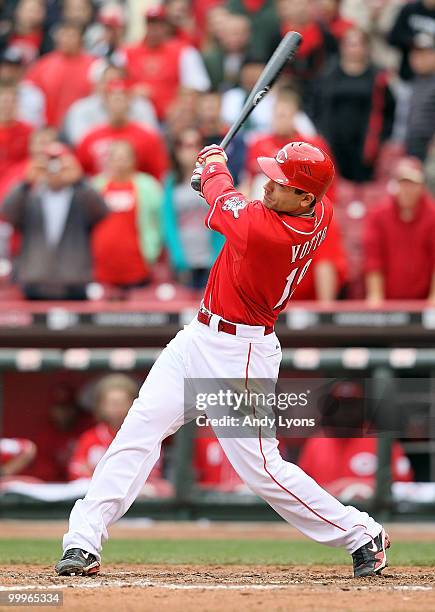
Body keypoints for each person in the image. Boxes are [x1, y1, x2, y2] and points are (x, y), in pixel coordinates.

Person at [56, 139, 390, 580]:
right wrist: (211, 181)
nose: (270, 186)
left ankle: (360, 532)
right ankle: (83, 540)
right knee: (138, 431)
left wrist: (213, 166)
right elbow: (226, 199)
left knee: (261, 469)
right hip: (197, 338)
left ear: (306, 198)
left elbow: (225, 201)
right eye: (271, 178)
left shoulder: (269, 232)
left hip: (240, 355)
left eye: (282, 183)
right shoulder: (312, 209)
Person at [2, 142, 108, 300]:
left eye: (59, 163)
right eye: (49, 163)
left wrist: (79, 180)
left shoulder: (80, 196)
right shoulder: (30, 196)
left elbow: (101, 211)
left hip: (74, 281)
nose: (55, 169)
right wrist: (26, 182)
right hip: (35, 280)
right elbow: (7, 213)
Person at [68, 374, 172, 498]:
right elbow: (76, 473)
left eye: (122, 402)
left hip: (137, 504)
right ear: (101, 406)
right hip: (98, 502)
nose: (117, 408)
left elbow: (152, 475)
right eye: (112, 403)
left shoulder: (146, 437)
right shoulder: (89, 438)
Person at [313, 27, 396, 182]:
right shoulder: (329, 73)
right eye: (349, 44)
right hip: (333, 143)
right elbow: (316, 104)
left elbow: (389, 109)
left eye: (357, 44)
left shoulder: (377, 76)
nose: (353, 49)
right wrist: (320, 131)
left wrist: (382, 137)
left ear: (366, 48)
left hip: (366, 147)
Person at [91, 139, 163, 289]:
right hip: (101, 269)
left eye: (124, 157)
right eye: (115, 157)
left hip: (138, 267)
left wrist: (153, 251)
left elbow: (159, 221)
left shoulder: (148, 186)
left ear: (134, 160)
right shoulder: (95, 187)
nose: (120, 162)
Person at [364, 156, 435, 303]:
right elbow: (374, 260)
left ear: (421, 186)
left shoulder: (432, 215)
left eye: (412, 184)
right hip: (389, 300)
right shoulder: (379, 215)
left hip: (424, 300)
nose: (407, 190)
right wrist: (376, 296)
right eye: (403, 184)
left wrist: (433, 298)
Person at [122, 6, 210, 121]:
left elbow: (198, 86)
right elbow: (115, 85)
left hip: (171, 119)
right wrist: (132, 92)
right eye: (151, 24)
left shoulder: (184, 51)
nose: (154, 29)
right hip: (136, 117)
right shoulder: (127, 53)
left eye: (159, 25)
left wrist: (180, 101)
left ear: (166, 27)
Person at [163, 128, 224, 289]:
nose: (190, 150)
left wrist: (218, 256)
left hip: (211, 260)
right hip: (184, 263)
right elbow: (168, 222)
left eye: (195, 145)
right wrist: (178, 257)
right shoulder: (170, 182)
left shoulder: (214, 179)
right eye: (185, 145)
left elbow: (222, 217)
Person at [75, 79, 168, 180]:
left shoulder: (147, 137)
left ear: (129, 101)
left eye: (122, 97)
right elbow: (79, 172)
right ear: (105, 101)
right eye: (113, 97)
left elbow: (159, 173)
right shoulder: (90, 137)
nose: (117, 101)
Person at [61, 62, 157, 146]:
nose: (114, 88)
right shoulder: (81, 108)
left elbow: (152, 139)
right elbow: (79, 142)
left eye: (118, 81)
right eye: (108, 82)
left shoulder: (141, 106)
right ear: (98, 84)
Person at [25, 20, 96, 127]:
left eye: (71, 36)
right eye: (63, 35)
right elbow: (29, 94)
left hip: (81, 126)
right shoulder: (44, 65)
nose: (66, 40)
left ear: (81, 39)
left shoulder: (94, 66)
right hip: (48, 127)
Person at [404, 33, 435, 162]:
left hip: (429, 148)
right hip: (412, 144)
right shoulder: (415, 81)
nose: (417, 59)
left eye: (424, 54)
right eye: (414, 54)